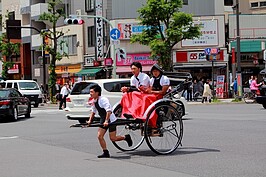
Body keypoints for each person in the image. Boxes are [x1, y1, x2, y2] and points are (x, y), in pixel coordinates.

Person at [86, 84, 132, 158]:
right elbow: (93, 111)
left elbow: (109, 111)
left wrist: (107, 121)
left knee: (113, 138)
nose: (90, 93)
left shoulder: (103, 99)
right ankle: (105, 152)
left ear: (97, 92)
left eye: (92, 92)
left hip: (111, 120)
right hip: (103, 119)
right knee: (99, 136)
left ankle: (126, 137)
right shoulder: (94, 100)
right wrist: (89, 121)